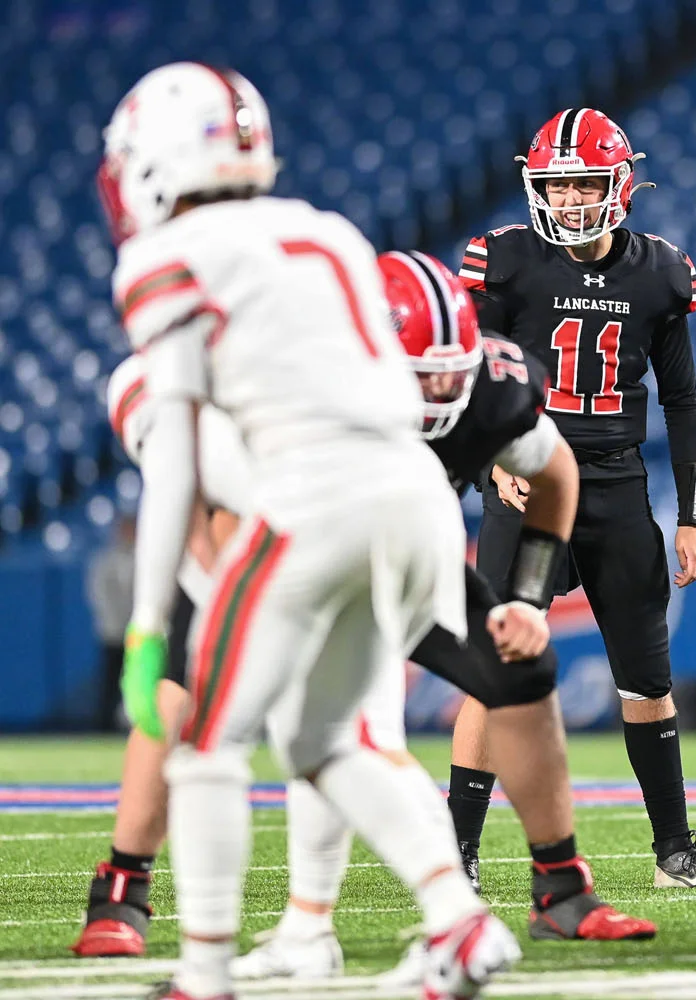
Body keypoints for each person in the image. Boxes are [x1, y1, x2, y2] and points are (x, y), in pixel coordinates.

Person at [100, 62, 517, 998]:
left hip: (314, 492)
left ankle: (202, 973)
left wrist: (144, 626)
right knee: (332, 738)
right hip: (413, 489)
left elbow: (172, 463)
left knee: (206, 741)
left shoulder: (167, 258)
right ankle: (460, 923)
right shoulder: (322, 230)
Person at [233, 251, 654, 984]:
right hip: (306, 549)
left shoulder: (491, 387)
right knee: (330, 725)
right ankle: (310, 923)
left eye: (446, 371)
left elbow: (555, 473)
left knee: (522, 667)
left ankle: (560, 887)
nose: (435, 389)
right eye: (415, 373)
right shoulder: (305, 391)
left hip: (410, 546)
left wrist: (526, 596)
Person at [456, 107, 696, 888]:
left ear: (621, 182)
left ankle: (674, 854)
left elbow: (682, 403)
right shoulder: (507, 261)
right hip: (529, 477)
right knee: (494, 666)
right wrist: (489, 463)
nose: (574, 199)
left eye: (587, 182)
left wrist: (691, 512)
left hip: (618, 480)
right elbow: (470, 372)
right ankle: (460, 856)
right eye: (560, 184)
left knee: (647, 678)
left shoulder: (659, 271)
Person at [70, 359, 249, 958]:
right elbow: (183, 504)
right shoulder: (185, 415)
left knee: (340, 735)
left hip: (340, 506)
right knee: (179, 705)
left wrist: (148, 623)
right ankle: (122, 893)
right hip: (274, 510)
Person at [87, 514, 136, 730]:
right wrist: (114, 622)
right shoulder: (105, 559)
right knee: (110, 681)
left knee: (138, 680)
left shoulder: (141, 557)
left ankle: (136, 724)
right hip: (114, 631)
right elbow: (100, 596)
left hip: (137, 631)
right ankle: (103, 725)